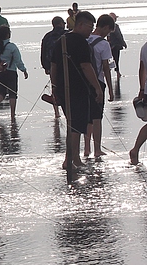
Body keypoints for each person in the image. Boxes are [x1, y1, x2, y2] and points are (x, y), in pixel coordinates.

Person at [50, 10, 100, 171]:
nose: (91, 30)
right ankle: (72, 159)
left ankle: (71, 158)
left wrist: (55, 87)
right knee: (76, 125)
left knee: (73, 124)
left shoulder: (60, 41)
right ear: (80, 25)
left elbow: (53, 68)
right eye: (90, 27)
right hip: (78, 88)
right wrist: (97, 88)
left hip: (64, 89)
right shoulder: (80, 42)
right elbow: (86, 66)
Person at [85, 15, 115, 160]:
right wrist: (110, 88)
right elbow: (105, 68)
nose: (107, 34)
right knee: (97, 117)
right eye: (108, 31)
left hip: (83, 83)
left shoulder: (85, 39)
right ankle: (97, 149)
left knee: (87, 117)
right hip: (98, 81)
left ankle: (86, 148)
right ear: (105, 27)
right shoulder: (103, 44)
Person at [0, 25, 28, 122]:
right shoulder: (12, 47)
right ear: (8, 34)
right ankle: (12, 114)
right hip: (11, 72)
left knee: (0, 91)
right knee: (13, 93)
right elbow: (18, 60)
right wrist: (23, 70)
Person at [40, 16, 67, 117]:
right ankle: (67, 108)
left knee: (54, 87)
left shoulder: (47, 36)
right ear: (60, 24)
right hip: (66, 66)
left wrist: (45, 66)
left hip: (52, 66)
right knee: (67, 87)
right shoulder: (67, 34)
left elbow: (43, 52)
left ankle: (56, 112)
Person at [127, 41, 147, 165]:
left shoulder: (145, 47)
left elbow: (142, 68)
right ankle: (135, 150)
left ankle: (135, 149)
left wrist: (142, 89)